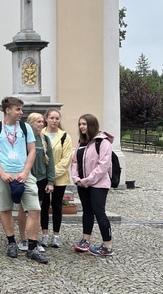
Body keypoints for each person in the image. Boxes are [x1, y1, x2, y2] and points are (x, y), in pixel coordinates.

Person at [0, 97, 48, 263]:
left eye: (21, 109)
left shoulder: (25, 127)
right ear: (8, 110)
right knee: (6, 209)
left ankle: (32, 247)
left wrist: (25, 172)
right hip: (4, 174)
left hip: (24, 175)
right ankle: (11, 242)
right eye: (18, 109)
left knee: (34, 209)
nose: (21, 112)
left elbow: (32, 151)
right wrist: (1, 173)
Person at [71, 114, 114, 257]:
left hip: (98, 184)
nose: (82, 127)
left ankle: (107, 246)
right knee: (87, 211)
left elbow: (103, 165)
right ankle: (85, 240)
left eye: (84, 124)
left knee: (99, 211)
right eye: (80, 124)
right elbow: (75, 161)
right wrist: (76, 178)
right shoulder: (82, 142)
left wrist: (87, 180)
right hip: (83, 183)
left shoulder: (103, 142)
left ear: (92, 125)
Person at [17, 113, 55, 253]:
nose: (41, 124)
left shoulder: (44, 139)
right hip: (25, 178)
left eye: (42, 122)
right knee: (22, 209)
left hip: (41, 179)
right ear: (31, 123)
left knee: (36, 211)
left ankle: (34, 238)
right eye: (38, 122)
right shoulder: (23, 138)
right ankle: (22, 239)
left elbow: (50, 161)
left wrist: (50, 181)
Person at [40, 108, 73, 247]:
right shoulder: (39, 134)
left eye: (57, 118)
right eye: (52, 118)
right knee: (44, 205)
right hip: (42, 176)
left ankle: (56, 235)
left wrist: (52, 175)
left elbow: (66, 159)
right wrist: (47, 176)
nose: (54, 121)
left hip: (59, 178)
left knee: (57, 205)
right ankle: (45, 235)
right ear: (46, 118)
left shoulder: (64, 136)